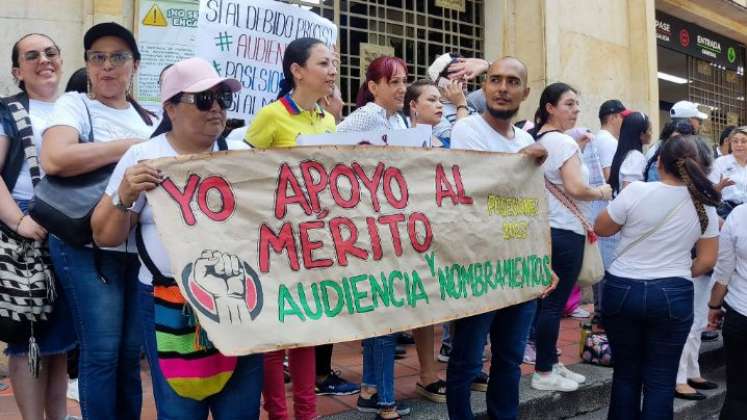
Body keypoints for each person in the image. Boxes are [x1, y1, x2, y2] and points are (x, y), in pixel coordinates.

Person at [90, 56, 262, 419]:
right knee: (179, 410)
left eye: (222, 99)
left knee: (240, 409)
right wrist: (125, 195)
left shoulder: (245, 157)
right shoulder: (143, 158)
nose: (215, 108)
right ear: (170, 107)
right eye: (203, 99)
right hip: (166, 302)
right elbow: (104, 235)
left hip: (239, 299)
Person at [40, 22, 156, 419]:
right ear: (88, 66)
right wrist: (130, 148)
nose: (108, 66)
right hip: (85, 246)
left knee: (129, 355)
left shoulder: (150, 116)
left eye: (119, 57)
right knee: (103, 352)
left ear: (135, 66)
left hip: (136, 250)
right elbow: (55, 158)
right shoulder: (75, 105)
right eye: (98, 57)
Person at [245, 37, 351, 418]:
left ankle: (306, 414)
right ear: (297, 71)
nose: (332, 71)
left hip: (316, 244)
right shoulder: (271, 116)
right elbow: (242, 171)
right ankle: (277, 413)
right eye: (323, 64)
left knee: (308, 332)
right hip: (276, 245)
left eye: (333, 63)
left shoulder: (327, 120)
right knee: (275, 339)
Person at [447, 56, 556, 420]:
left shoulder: (526, 138)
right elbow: (477, 186)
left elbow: (532, 209)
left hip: (518, 270)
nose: (502, 88)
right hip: (476, 269)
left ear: (524, 93)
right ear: (484, 87)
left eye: (512, 82)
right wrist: (521, 161)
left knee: (509, 359)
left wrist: (544, 260)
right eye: (495, 80)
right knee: (466, 360)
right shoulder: (467, 130)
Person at [595, 134, 720, 420]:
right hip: (673, 294)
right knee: (662, 380)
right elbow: (707, 259)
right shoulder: (704, 205)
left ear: (660, 163)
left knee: (626, 375)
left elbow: (602, 228)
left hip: (622, 289)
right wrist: (675, 273)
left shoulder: (637, 191)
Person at [0, 32, 76, 420]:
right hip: (24, 227)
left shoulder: (76, 106)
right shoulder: (7, 110)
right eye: (32, 56)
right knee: (26, 333)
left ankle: (58, 417)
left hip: (71, 226)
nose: (44, 59)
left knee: (61, 338)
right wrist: (18, 220)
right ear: (18, 70)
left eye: (50, 52)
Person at [337, 55, 411, 420]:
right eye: (393, 81)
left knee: (385, 313)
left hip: (388, 226)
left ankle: (370, 389)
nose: (401, 88)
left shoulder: (398, 119)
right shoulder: (368, 116)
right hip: (370, 228)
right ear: (373, 87)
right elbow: (330, 149)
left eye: (404, 81)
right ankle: (384, 400)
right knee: (384, 314)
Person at [529, 82, 612, 392]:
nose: (576, 110)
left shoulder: (541, 140)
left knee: (548, 302)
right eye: (569, 104)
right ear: (550, 107)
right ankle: (543, 371)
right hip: (564, 229)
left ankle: (550, 362)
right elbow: (576, 188)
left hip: (550, 228)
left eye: (577, 105)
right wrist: (601, 191)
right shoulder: (563, 144)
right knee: (554, 304)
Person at [707, 203, 747, 419]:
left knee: (738, 392)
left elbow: (724, 270)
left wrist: (714, 305)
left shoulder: (740, 215)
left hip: (741, 311)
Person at [427, 53, 473, 148]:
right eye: (457, 73)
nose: (464, 78)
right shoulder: (435, 110)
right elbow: (457, 143)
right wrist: (461, 105)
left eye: (465, 73)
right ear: (440, 81)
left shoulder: (472, 107)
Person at [608, 112, 652, 195]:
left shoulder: (625, 154)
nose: (651, 133)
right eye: (649, 130)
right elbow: (628, 191)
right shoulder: (636, 157)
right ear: (641, 134)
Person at [709, 126, 747, 217]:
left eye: (743, 141)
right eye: (735, 141)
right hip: (725, 210)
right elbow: (709, 191)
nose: (739, 145)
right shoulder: (720, 162)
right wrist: (718, 187)